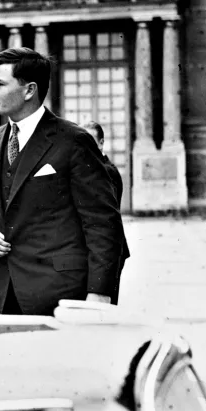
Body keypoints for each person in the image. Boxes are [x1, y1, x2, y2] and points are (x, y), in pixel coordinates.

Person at [0, 47, 122, 315]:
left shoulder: (74, 140)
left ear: (29, 90)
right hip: (2, 291)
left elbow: (102, 222)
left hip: (60, 291)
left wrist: (99, 293)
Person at [82, 120, 131, 304]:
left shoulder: (106, 171)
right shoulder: (91, 168)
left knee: (105, 309)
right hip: (102, 251)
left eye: (91, 141)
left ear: (101, 143)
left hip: (109, 253)